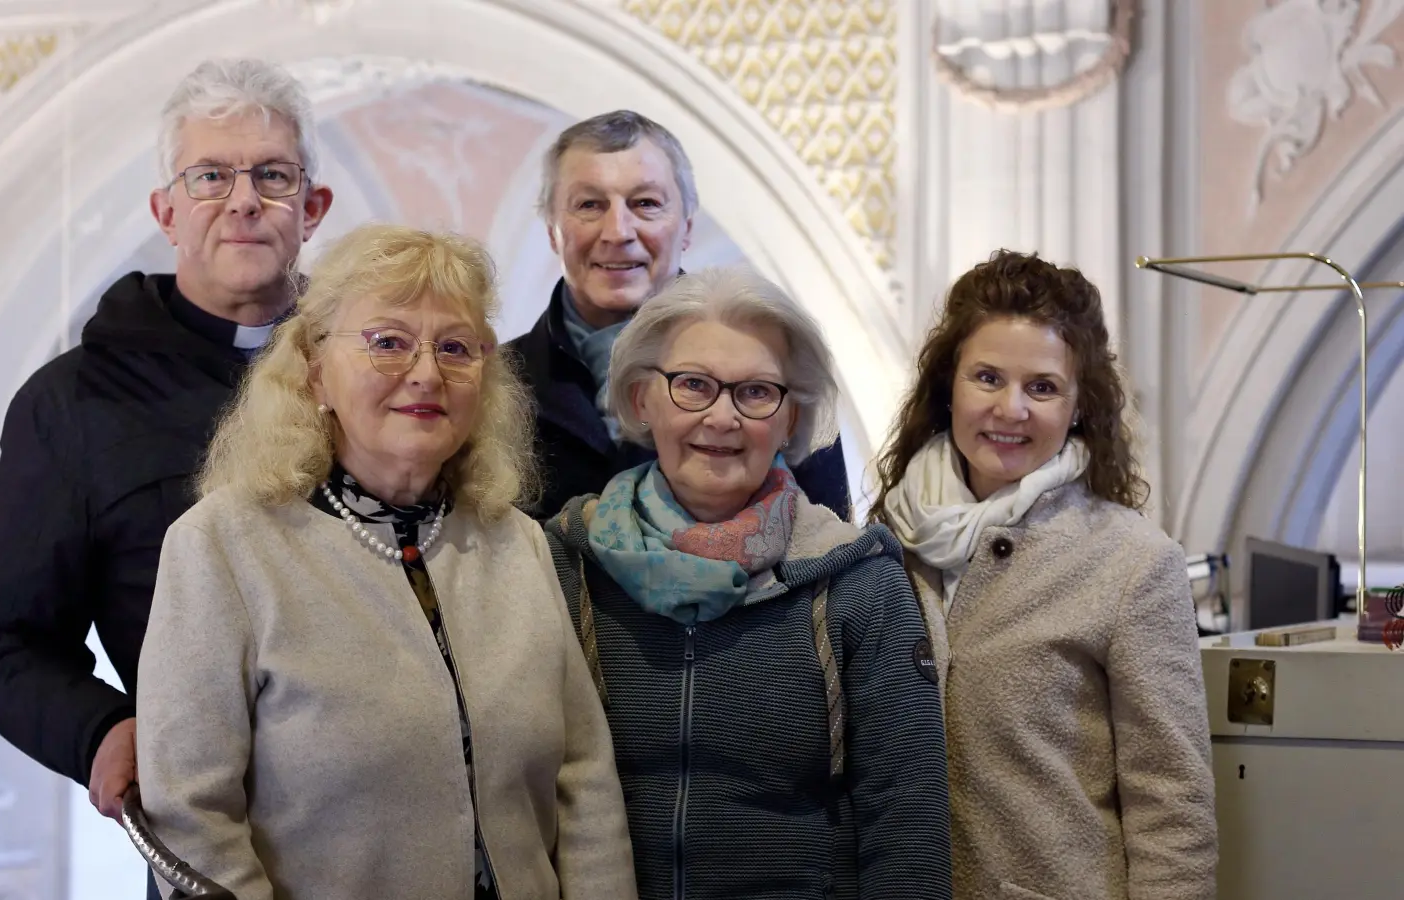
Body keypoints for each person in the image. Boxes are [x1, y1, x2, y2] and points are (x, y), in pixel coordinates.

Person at [135, 224, 638, 900]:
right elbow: (190, 814)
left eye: (455, 347)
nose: (426, 372)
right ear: (315, 369)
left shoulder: (516, 541)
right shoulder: (222, 546)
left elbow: (583, 780)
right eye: (388, 342)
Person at [0, 56, 334, 844]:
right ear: (166, 213)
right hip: (216, 821)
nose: (243, 202)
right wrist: (99, 731)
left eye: (273, 175)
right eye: (209, 177)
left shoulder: (368, 371)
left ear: (313, 206)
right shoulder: (71, 404)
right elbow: (7, 645)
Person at [544, 266, 952, 900]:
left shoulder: (859, 582)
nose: (723, 417)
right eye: (693, 385)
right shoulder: (567, 563)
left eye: (756, 392)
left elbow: (905, 823)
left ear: (791, 418)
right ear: (640, 401)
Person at [871, 250, 1216, 900]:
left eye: (1042, 387)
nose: (1011, 408)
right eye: (987, 377)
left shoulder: (1132, 563)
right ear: (949, 388)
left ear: (1079, 405)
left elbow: (1173, 802)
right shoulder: (885, 542)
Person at [505, 110, 852, 521]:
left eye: (646, 203)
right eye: (590, 205)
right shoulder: (495, 383)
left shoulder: (780, 364)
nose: (617, 231)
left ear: (686, 226)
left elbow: (828, 547)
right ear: (552, 230)